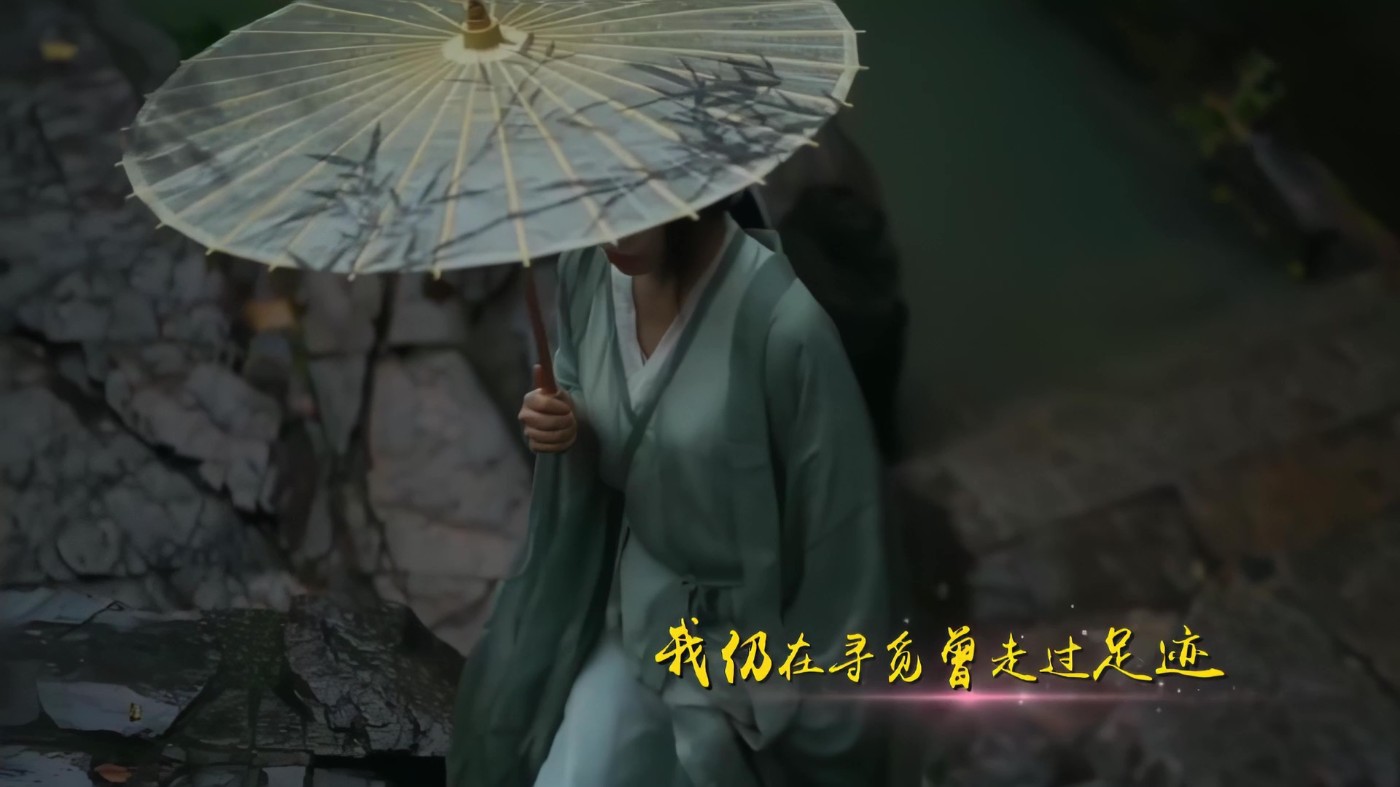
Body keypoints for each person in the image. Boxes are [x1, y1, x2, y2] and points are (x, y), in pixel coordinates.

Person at [448, 192, 892, 787]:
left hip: (756, 644)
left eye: (634, 202)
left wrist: (816, 718)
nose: (611, 231)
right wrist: (568, 427)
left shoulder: (787, 329)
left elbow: (841, 547)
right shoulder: (588, 271)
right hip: (641, 610)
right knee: (576, 773)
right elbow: (598, 416)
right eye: (597, 197)